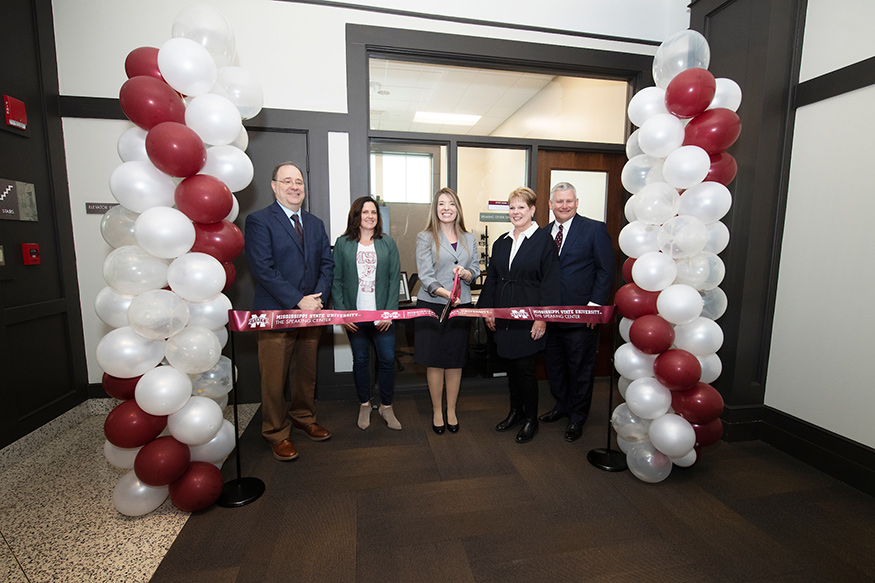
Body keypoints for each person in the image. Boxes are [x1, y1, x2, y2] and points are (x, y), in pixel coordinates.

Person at [244, 161, 333, 461]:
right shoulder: (259, 221)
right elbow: (262, 269)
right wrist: (299, 300)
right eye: (287, 181)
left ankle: (304, 418)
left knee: (305, 374)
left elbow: (326, 265)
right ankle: (276, 432)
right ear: (274, 186)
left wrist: (317, 298)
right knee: (273, 378)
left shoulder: (316, 223)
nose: (294, 187)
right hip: (276, 314)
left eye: (299, 182)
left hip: (311, 315)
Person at [477, 187, 559, 443]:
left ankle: (530, 419)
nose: (515, 212)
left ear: (532, 210)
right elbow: (492, 278)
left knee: (525, 370)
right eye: (512, 208)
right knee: (510, 368)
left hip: (529, 318)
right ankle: (515, 412)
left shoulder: (544, 240)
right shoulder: (502, 241)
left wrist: (542, 317)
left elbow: (551, 282)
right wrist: (488, 310)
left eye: (521, 207)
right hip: (504, 317)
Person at [539, 182, 615, 442]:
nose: (564, 206)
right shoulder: (543, 233)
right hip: (551, 317)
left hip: (582, 317)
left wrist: (594, 309)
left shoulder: (594, 229)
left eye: (568, 201)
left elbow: (606, 270)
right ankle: (562, 405)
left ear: (577, 202)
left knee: (580, 368)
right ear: (550, 204)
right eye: (559, 201)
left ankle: (577, 417)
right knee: (555, 366)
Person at [331, 196, 402, 431]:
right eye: (365, 212)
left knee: (387, 360)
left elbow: (394, 281)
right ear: (356, 216)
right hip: (356, 317)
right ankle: (364, 404)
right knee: (360, 360)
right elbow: (337, 281)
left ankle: (386, 407)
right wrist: (343, 314)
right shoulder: (343, 244)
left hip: (382, 316)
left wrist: (389, 313)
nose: (370, 216)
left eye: (373, 212)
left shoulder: (388, 243)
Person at [414, 187, 480, 434]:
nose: (446, 208)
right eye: (441, 204)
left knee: (455, 360)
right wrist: (445, 293)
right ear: (435, 208)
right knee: (435, 361)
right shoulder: (425, 236)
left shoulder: (469, 237)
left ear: (457, 208)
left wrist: (467, 274)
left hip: (461, 305)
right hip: (433, 304)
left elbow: (475, 269)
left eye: (451, 204)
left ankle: (451, 409)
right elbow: (426, 275)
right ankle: (437, 411)